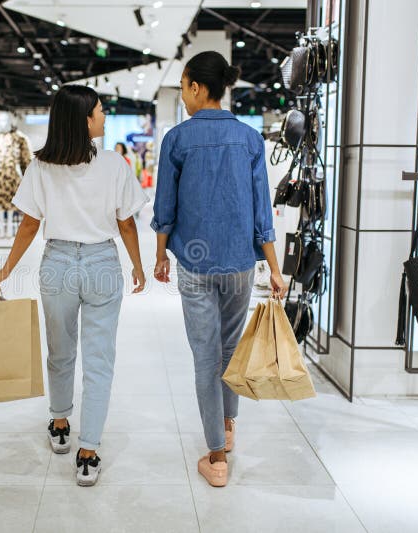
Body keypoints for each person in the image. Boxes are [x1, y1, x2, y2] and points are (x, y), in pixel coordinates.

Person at [0, 85, 149, 487]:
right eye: (99, 110)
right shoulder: (113, 164)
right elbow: (126, 222)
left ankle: (60, 424)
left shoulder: (42, 166)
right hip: (101, 263)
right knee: (99, 361)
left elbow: (29, 223)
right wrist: (137, 266)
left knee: (60, 350)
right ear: (84, 120)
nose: (104, 115)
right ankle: (88, 450)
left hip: (57, 263)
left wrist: (7, 269)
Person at [151, 51, 287, 488]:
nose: (185, 96)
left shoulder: (177, 139)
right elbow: (261, 209)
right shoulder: (249, 140)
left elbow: (165, 208)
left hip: (194, 264)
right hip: (239, 265)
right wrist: (276, 268)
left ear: (194, 87)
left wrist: (158, 256)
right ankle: (228, 428)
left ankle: (215, 457)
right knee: (230, 351)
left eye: (185, 87)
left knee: (205, 358)